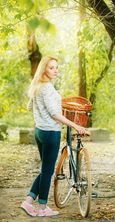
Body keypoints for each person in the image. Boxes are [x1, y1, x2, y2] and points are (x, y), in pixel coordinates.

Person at [21, 56, 87, 217]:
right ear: (44, 69)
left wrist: (46, 108)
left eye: (56, 67)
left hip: (39, 132)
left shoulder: (37, 86)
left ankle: (29, 202)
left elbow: (31, 107)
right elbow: (56, 115)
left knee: (45, 170)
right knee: (47, 171)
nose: (55, 70)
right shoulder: (47, 88)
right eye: (51, 67)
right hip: (50, 132)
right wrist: (75, 125)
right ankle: (42, 208)